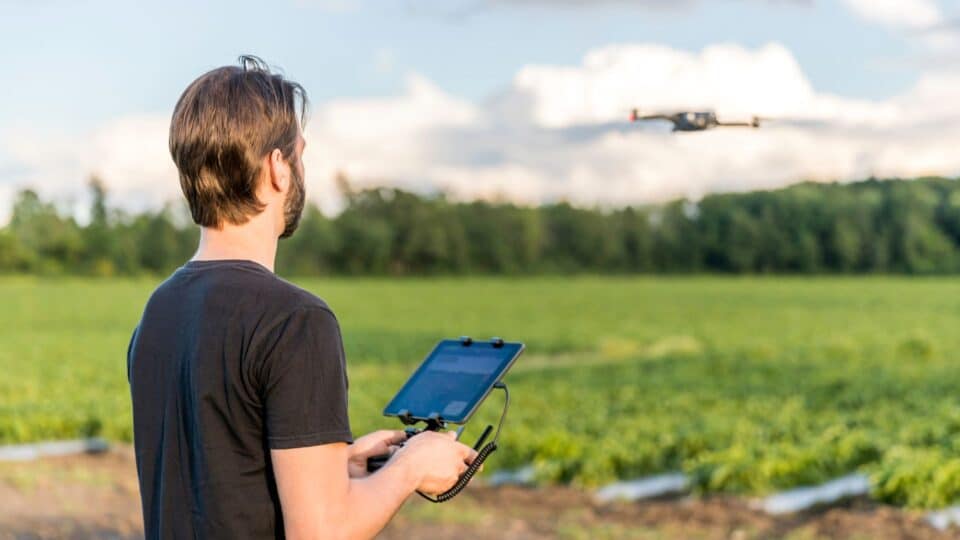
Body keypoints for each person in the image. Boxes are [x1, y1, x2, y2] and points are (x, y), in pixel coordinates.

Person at [127, 56, 478, 540]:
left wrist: (342, 463)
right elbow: (320, 532)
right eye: (299, 154)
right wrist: (411, 468)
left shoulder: (159, 310)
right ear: (277, 168)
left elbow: (217, 477)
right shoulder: (295, 320)